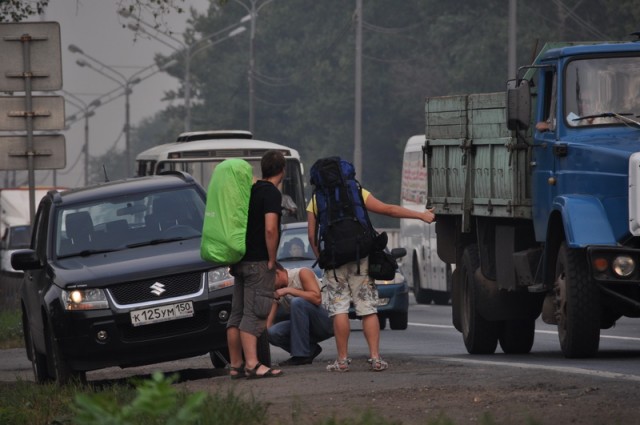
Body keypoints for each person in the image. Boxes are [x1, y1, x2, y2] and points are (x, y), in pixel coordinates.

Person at [307, 172, 435, 373]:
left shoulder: (317, 198)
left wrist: (323, 258)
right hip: (360, 259)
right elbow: (389, 210)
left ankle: (342, 361)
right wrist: (421, 215)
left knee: (339, 309)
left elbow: (311, 235)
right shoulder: (357, 192)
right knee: (367, 308)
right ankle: (375, 359)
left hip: (333, 261)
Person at [226, 150, 286, 380]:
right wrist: (272, 258)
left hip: (240, 260)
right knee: (254, 314)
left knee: (237, 314)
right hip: (258, 262)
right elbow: (270, 228)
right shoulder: (271, 193)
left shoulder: (249, 191)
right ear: (282, 170)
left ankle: (236, 365)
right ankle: (253, 364)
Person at [266, 263, 334, 366]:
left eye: (268, 281)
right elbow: (268, 323)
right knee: (272, 333)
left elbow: (317, 298)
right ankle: (310, 350)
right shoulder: (277, 291)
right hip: (304, 328)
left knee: (298, 302)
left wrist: (289, 290)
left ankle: (300, 355)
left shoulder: (302, 273)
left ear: (277, 273)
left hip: (325, 322)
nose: (268, 285)